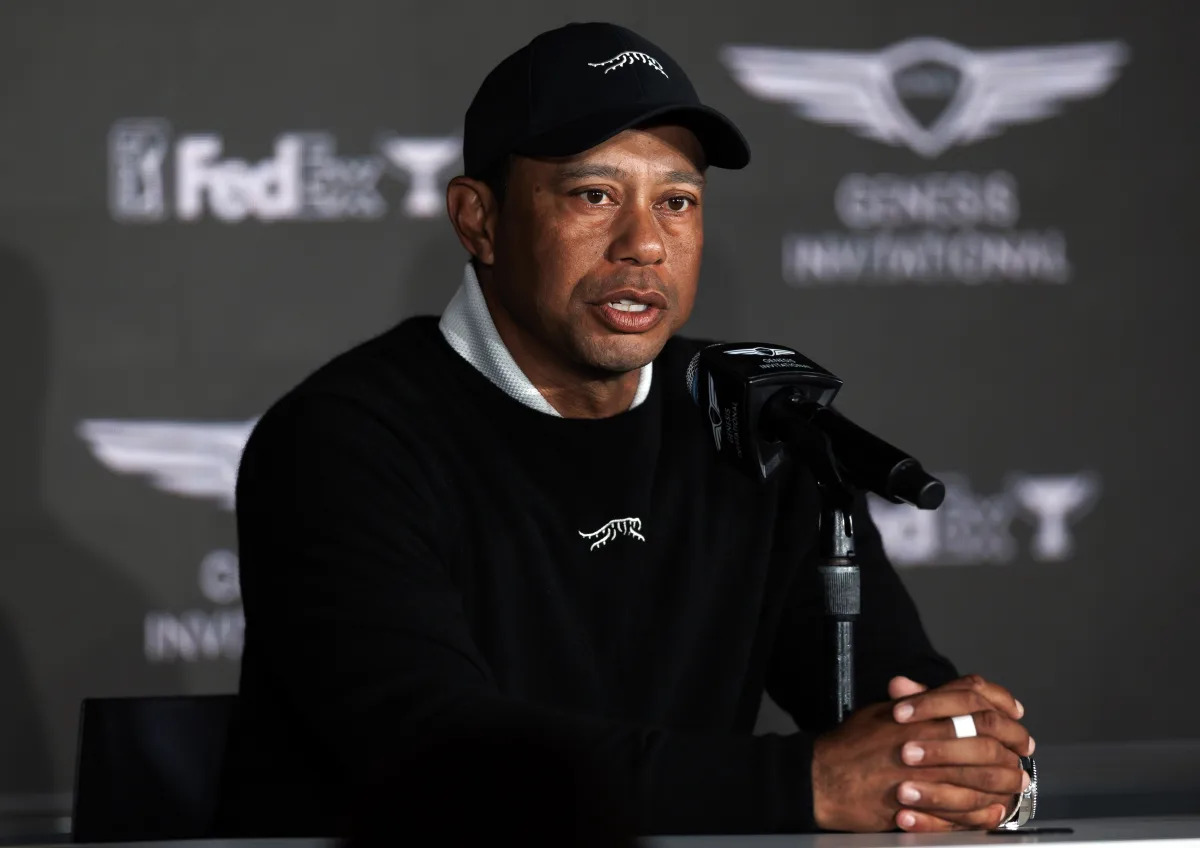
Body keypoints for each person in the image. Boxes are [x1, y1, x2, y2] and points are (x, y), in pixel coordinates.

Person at [216, 21, 1036, 839]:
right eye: (594, 196)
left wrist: (977, 768)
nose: (644, 243)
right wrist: (801, 783)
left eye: (676, 202)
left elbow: (909, 714)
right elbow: (437, 759)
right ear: (479, 220)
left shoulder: (756, 421)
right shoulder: (343, 442)